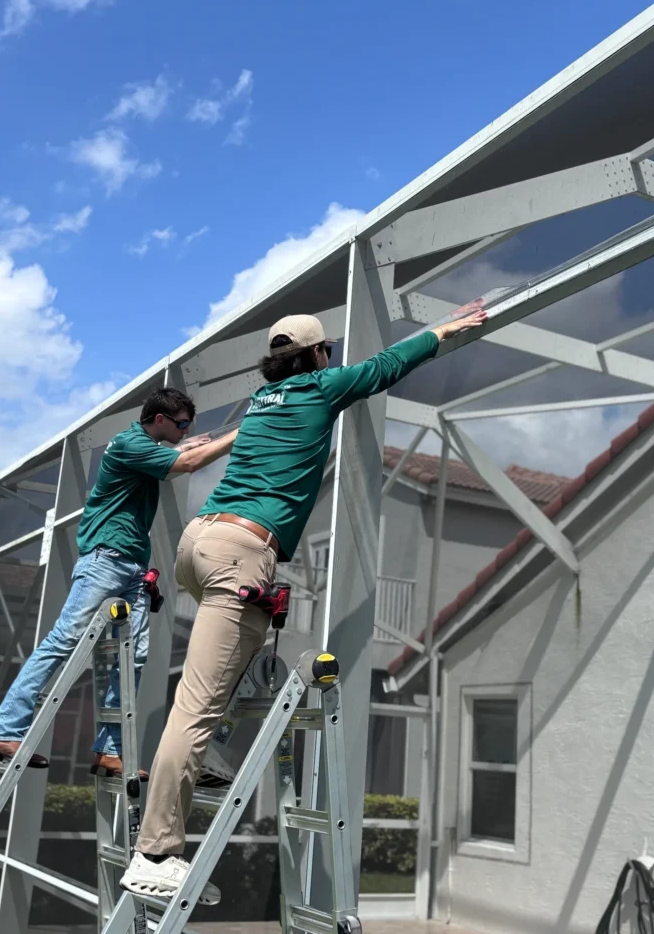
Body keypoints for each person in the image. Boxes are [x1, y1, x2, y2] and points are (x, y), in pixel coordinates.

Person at [120, 306, 487, 902]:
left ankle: (209, 755)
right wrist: (445, 329)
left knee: (239, 655)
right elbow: (387, 364)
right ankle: (155, 852)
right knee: (194, 705)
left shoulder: (267, 401)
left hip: (199, 544)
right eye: (328, 352)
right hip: (242, 550)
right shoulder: (321, 386)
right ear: (319, 354)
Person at [0, 388, 238, 779]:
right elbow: (188, 465)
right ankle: (6, 731)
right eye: (182, 424)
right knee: (64, 642)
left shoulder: (147, 444)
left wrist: (184, 444)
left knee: (133, 657)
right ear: (159, 420)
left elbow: (179, 456)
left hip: (134, 567)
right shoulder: (128, 444)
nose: (187, 429)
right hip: (106, 559)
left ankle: (110, 751)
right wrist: (238, 434)